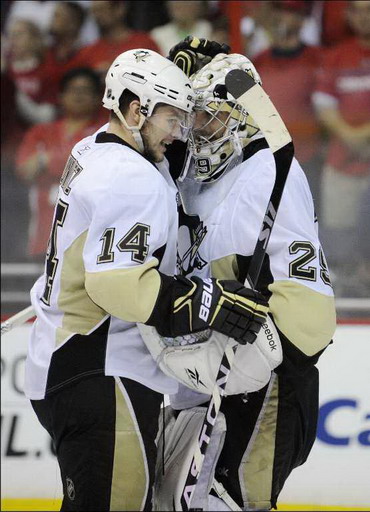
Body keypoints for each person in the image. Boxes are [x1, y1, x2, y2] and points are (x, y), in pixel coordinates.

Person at [24, 48, 269, 511]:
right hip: (102, 373)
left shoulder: (93, 147)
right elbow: (116, 287)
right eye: (173, 119)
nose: (179, 133)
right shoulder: (130, 178)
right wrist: (208, 302)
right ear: (136, 110)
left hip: (65, 365)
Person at [156, 44, 336, 511]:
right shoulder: (189, 179)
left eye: (209, 116)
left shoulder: (270, 174)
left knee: (227, 504)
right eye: (190, 115)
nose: (195, 129)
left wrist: (261, 352)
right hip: (199, 378)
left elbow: (311, 309)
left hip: (264, 387)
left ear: (240, 116)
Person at [16, 67, 105, 260]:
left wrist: (46, 159)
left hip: (87, 242)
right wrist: (76, 160)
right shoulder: (40, 132)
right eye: (73, 90)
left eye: (86, 90)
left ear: (98, 97)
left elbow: (101, 172)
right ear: (61, 96)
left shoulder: (104, 133)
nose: (79, 96)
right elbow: (25, 171)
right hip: (42, 239)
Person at [312, 0, 370, 295]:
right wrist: (352, 136)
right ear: (348, 15)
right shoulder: (336, 56)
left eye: (368, 9)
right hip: (342, 164)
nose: (363, 17)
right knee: (339, 237)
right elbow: (324, 106)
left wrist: (362, 134)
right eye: (357, 10)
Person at [253, 0, 323, 209]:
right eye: (277, 12)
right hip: (269, 158)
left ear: (302, 19)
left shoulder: (318, 59)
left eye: (289, 12)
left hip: (308, 155)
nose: (281, 18)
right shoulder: (258, 61)